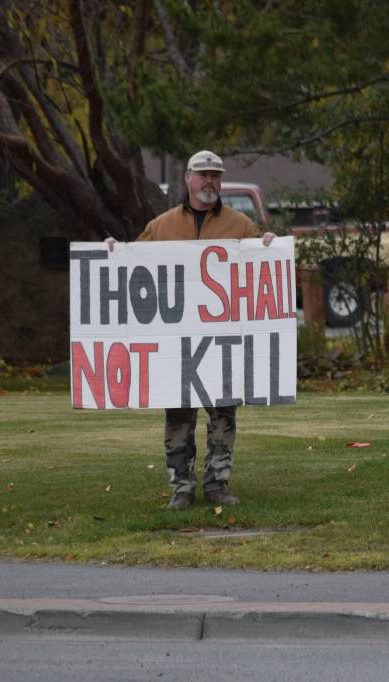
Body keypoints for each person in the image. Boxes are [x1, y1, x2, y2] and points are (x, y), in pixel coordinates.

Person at [112, 149, 276, 510]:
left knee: (223, 415)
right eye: (202, 174)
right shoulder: (162, 226)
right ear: (187, 178)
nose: (209, 182)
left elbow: (260, 269)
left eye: (215, 175)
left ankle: (217, 484)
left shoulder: (241, 225)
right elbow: (132, 267)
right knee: (179, 416)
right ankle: (181, 488)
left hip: (222, 342)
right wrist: (113, 254)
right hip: (177, 344)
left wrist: (268, 247)